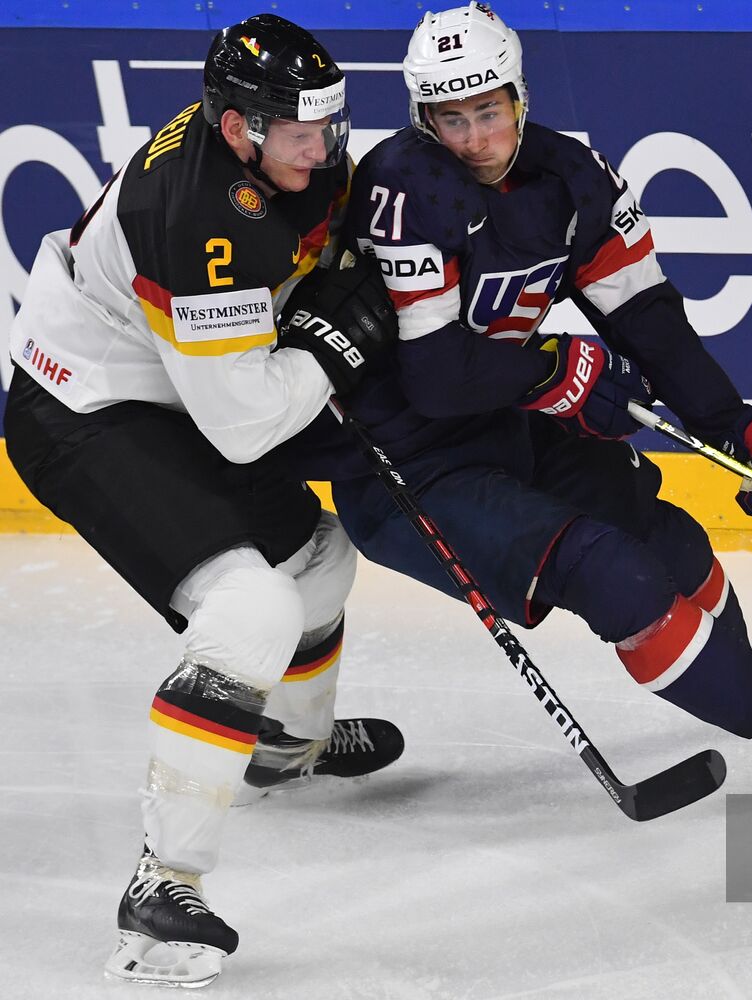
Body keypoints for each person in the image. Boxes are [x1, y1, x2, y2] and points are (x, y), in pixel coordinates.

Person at [324, 2, 752, 793]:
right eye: (450, 117)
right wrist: (550, 369)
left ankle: (739, 671)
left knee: (666, 539)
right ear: (420, 116)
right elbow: (438, 377)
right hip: (407, 465)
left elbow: (648, 321)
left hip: (503, 423)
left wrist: (744, 427)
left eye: (488, 110)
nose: (474, 138)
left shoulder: (572, 175)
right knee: (613, 573)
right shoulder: (403, 189)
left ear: (519, 97)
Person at [5, 14, 404, 988]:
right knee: (250, 609)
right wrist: (331, 344)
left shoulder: (287, 155)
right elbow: (244, 428)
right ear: (236, 128)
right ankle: (160, 887)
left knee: (319, 562)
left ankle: (282, 745)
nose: (326, 146)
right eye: (301, 129)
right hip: (83, 408)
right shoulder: (200, 215)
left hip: (169, 386)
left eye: (331, 122)